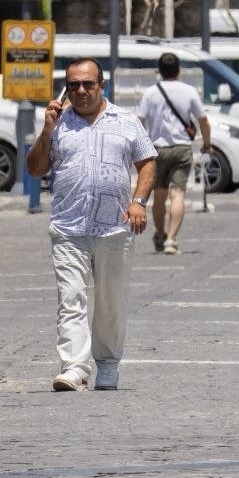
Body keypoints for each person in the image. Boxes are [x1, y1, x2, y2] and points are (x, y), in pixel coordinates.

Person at [26, 57, 155, 392]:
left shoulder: (126, 121)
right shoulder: (58, 124)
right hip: (69, 229)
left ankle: (108, 365)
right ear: (66, 88)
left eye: (88, 84)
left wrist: (138, 202)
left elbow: (147, 163)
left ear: (102, 85)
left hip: (114, 228)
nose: (81, 91)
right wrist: (46, 130)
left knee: (111, 302)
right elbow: (35, 169)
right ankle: (74, 367)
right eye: (73, 85)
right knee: (71, 299)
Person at [135, 52, 210, 256]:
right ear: (178, 70)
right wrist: (207, 144)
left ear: (159, 71)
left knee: (159, 196)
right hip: (182, 148)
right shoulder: (189, 91)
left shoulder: (150, 93)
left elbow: (139, 120)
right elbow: (203, 120)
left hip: (156, 149)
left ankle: (160, 233)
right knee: (178, 194)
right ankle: (171, 239)